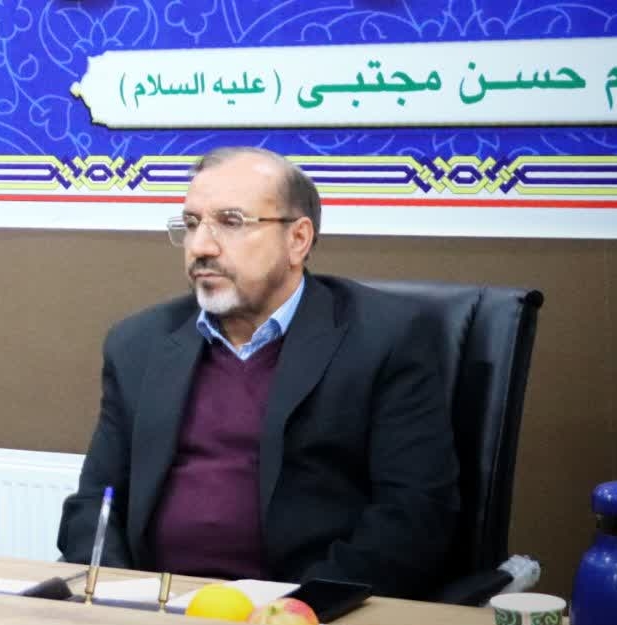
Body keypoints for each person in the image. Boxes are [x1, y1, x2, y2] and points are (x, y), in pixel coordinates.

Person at [56, 146, 459, 599]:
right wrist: (118, 597)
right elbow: (94, 505)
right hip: (157, 606)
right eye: (191, 224)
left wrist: (301, 606)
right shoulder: (139, 343)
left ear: (297, 240)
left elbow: (414, 516)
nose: (201, 246)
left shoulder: (384, 338)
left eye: (231, 222)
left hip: (303, 614)